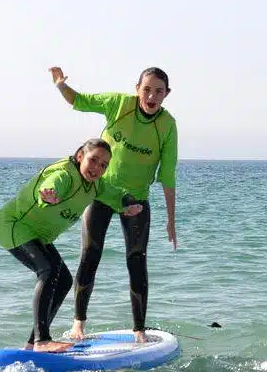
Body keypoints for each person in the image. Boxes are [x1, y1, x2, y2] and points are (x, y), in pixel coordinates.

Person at [49, 66, 177, 344]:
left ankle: (139, 330)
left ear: (167, 94)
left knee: (136, 259)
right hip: (101, 192)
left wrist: (171, 220)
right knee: (90, 254)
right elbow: (80, 101)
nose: (151, 96)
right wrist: (61, 86)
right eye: (147, 89)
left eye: (158, 91)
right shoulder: (119, 104)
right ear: (137, 89)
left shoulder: (167, 125)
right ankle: (78, 324)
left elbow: (168, 174)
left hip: (137, 200)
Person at [0, 139, 143, 352]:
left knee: (63, 280)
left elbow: (114, 193)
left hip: (38, 235)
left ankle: (32, 343)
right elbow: (53, 182)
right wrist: (48, 193)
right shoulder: (65, 173)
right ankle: (42, 340)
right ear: (80, 156)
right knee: (48, 270)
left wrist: (127, 204)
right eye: (93, 160)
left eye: (104, 165)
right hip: (14, 226)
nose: (97, 168)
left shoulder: (95, 185)